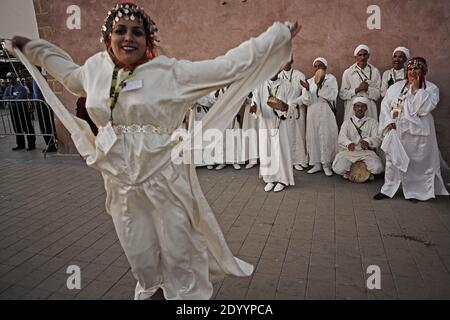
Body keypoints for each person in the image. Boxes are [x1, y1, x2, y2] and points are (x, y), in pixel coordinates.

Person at [11, 2, 300, 299]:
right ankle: (153, 292)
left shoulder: (171, 73)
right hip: (121, 185)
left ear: (148, 40)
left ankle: (186, 299)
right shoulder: (95, 70)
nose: (128, 38)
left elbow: (227, 65)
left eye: (137, 32)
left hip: (165, 181)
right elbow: (69, 75)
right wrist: (33, 48)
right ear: (108, 37)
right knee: (141, 259)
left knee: (179, 256)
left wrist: (275, 35)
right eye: (120, 31)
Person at [374, 57, 449, 201]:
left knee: (418, 161)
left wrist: (416, 89)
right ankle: (388, 189)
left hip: (418, 132)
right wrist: (388, 121)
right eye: (410, 69)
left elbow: (421, 110)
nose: (412, 72)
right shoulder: (396, 87)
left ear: (424, 71)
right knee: (393, 160)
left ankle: (418, 191)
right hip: (396, 129)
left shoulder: (431, 88)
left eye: (416, 69)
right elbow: (385, 106)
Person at [252, 71, 296, 192]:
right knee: (267, 151)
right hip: (265, 123)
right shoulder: (260, 84)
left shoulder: (286, 85)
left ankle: (282, 179)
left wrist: (285, 107)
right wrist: (254, 108)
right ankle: (270, 179)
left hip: (281, 123)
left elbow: (293, 103)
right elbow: (255, 101)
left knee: (281, 150)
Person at [300, 57, 339, 177]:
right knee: (314, 137)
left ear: (325, 68)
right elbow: (306, 101)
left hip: (326, 112)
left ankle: (326, 164)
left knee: (327, 136)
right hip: (313, 112)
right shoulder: (309, 81)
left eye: (320, 66)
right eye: (315, 66)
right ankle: (316, 163)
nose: (317, 68)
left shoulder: (331, 79)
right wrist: (306, 89)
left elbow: (332, 95)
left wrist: (320, 84)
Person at [332, 97, 383, 180]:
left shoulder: (373, 122)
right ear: (354, 108)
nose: (360, 108)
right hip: (349, 152)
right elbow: (341, 137)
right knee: (338, 169)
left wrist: (368, 141)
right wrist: (348, 143)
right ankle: (356, 171)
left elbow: (377, 138)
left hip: (366, 153)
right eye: (357, 106)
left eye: (362, 106)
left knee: (378, 168)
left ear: (366, 108)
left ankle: (363, 169)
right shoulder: (347, 122)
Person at [279, 56, 308, 171]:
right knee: (287, 135)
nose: (285, 62)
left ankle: (299, 160)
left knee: (298, 134)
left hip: (297, 109)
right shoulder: (279, 76)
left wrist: (295, 103)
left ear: (292, 61)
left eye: (288, 60)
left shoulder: (300, 75)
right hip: (283, 110)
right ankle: (288, 160)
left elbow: (305, 94)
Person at [340, 44, 381, 121]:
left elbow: (378, 95)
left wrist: (367, 89)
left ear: (368, 56)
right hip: (352, 110)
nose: (362, 57)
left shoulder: (375, 72)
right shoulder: (348, 72)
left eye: (365, 55)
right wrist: (357, 89)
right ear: (356, 57)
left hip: (369, 110)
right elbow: (342, 94)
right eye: (360, 55)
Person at [2, 71, 35, 151]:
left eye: (12, 79)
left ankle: (31, 144)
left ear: (15, 78)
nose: (10, 81)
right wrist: (12, 97)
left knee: (27, 127)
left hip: (22, 110)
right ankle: (20, 144)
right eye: (9, 79)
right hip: (13, 111)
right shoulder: (8, 88)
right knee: (17, 128)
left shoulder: (21, 88)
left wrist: (10, 98)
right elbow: (3, 98)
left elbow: (19, 99)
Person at [32, 68, 58, 152]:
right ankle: (50, 143)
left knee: (46, 125)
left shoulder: (39, 78)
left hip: (43, 104)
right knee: (45, 125)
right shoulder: (36, 78)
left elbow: (39, 94)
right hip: (40, 103)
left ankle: (51, 144)